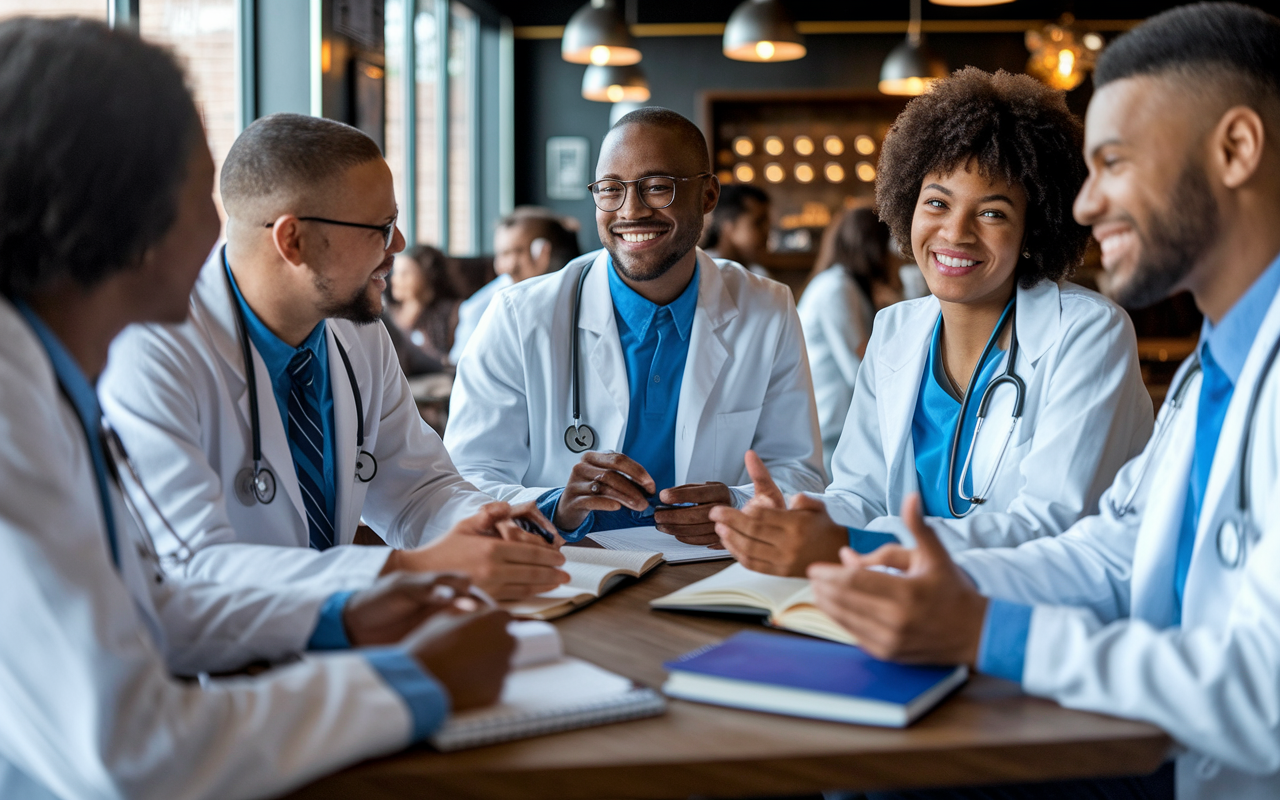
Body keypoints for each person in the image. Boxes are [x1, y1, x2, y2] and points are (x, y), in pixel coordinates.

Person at [0, 17, 514, 800]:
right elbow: (132, 751)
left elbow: (149, 603)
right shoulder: (19, 405)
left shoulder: (42, 373)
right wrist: (408, 684)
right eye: (197, 193)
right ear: (120, 213)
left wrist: (339, 618)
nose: (218, 228)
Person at [807, 4, 1280, 798]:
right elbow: (1109, 550)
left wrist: (991, 631)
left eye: (1116, 162)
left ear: (1235, 149)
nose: (1088, 205)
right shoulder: (1215, 367)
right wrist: (921, 575)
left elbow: (1265, 694)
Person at [100, 113, 569, 602]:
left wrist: (481, 525)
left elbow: (416, 491)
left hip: (345, 635)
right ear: (292, 240)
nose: (400, 246)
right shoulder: (153, 348)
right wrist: (407, 568)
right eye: (381, 227)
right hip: (209, 665)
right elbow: (194, 565)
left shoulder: (356, 330)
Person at [714, 67, 1154, 575]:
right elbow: (860, 495)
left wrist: (849, 543)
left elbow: (1049, 525)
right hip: (901, 597)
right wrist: (799, 519)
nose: (955, 232)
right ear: (908, 208)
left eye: (992, 213)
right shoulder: (894, 331)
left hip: (1029, 615)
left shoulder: (1088, 332)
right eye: (937, 203)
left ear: (1034, 230)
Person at [445, 108, 824, 545]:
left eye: (658, 188)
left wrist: (736, 506)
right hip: (567, 565)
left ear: (708, 197)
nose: (630, 211)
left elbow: (800, 473)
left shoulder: (767, 308)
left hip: (710, 569)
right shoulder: (519, 315)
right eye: (610, 190)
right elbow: (466, 479)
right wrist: (559, 507)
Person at [798, 206, 904, 474]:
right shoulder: (837, 288)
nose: (896, 258)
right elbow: (860, 370)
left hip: (836, 423)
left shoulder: (846, 285)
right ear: (874, 246)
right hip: (830, 428)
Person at [449, 207, 581, 363]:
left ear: (541, 251)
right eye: (499, 254)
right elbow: (459, 362)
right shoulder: (480, 309)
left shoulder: (576, 291)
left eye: (509, 253)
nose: (500, 266)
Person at [385, 243, 460, 374]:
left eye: (405, 274)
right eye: (395, 273)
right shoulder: (387, 314)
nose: (395, 280)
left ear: (426, 275)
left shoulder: (449, 313)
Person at [701, 183, 772, 276]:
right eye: (758, 223)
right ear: (728, 226)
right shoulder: (702, 271)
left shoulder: (759, 274)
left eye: (767, 224)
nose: (766, 232)